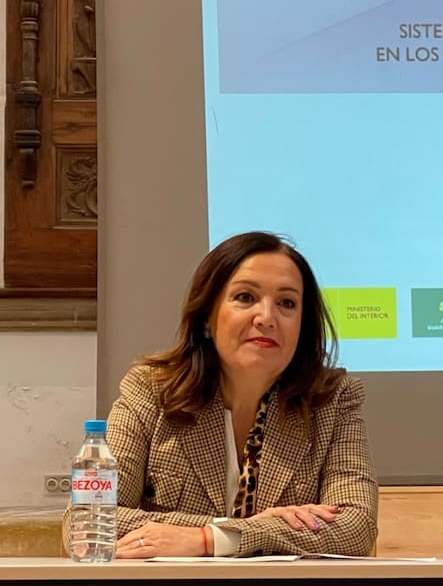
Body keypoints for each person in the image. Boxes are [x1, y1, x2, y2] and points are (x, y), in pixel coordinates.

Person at [81, 231, 377, 558]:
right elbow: (88, 520)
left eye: (287, 303)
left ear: (302, 327)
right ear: (207, 317)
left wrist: (210, 539)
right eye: (245, 297)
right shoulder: (151, 390)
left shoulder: (333, 399)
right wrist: (240, 529)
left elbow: (356, 528)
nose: (266, 318)